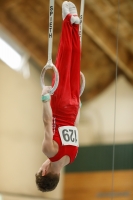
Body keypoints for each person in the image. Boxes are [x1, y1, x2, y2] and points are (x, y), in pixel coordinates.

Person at [35, 1, 82, 192]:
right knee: (63, 59)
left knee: (75, 60)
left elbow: (75, 126)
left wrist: (79, 104)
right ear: (44, 172)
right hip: (60, 103)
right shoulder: (49, 151)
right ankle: (67, 20)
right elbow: (47, 121)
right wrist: (45, 98)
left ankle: (75, 25)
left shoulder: (72, 156)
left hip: (73, 105)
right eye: (40, 168)